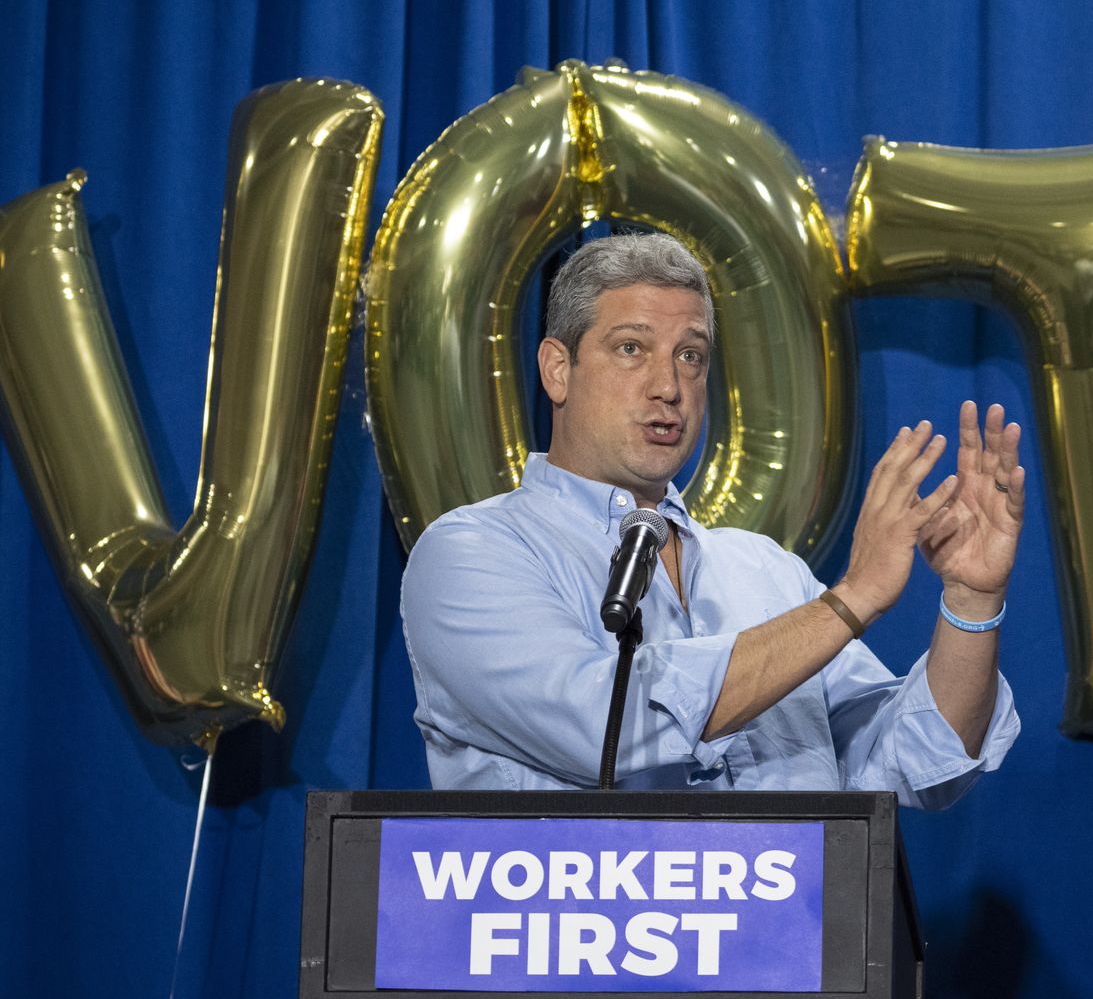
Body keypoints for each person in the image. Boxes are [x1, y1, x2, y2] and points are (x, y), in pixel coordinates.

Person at [401, 232, 1025, 808]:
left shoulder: (765, 570)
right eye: (631, 348)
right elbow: (605, 731)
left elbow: (917, 763)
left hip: (795, 929)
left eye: (691, 356)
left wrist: (972, 600)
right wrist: (852, 598)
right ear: (557, 369)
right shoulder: (471, 553)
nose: (668, 386)